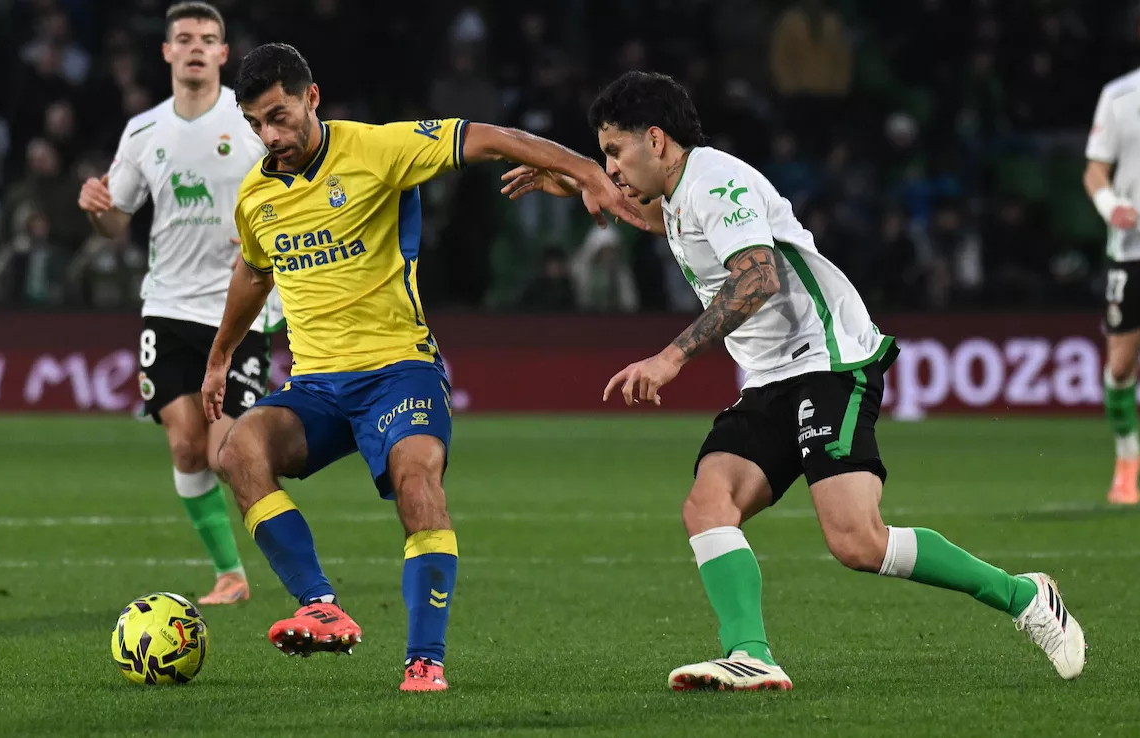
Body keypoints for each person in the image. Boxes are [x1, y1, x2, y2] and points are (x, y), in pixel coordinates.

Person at [500, 70, 1085, 691]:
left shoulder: (717, 182)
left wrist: (670, 358)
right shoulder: (677, 195)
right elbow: (658, 221)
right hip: (771, 375)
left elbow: (757, 278)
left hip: (827, 359)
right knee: (707, 504)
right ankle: (749, 653)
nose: (610, 166)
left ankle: (1023, 595)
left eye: (614, 152)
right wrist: (580, 184)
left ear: (657, 140)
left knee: (857, 541)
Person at [201, 42, 644, 692]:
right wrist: (219, 357)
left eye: (280, 116)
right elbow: (252, 271)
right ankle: (318, 604)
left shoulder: (378, 150)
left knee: (417, 484)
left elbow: (488, 137)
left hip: (399, 371)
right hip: (317, 387)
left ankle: (424, 661)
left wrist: (587, 172)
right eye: (257, 125)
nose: (272, 136)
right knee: (238, 452)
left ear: (311, 98)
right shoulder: (257, 195)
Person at [76, 2, 281, 606]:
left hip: (239, 309)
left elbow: (291, 190)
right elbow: (117, 224)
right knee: (187, 447)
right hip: (166, 305)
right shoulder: (143, 131)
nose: (195, 47)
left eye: (208, 39)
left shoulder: (249, 125)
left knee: (227, 453)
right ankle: (230, 576)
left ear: (224, 54)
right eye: (184, 38)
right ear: (167, 52)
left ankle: (296, 567)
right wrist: (98, 211)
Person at [1084, 0, 1140, 505]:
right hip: (1134, 249)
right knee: (1121, 366)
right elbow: (1094, 168)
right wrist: (1109, 203)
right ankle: (1126, 457)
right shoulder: (1119, 97)